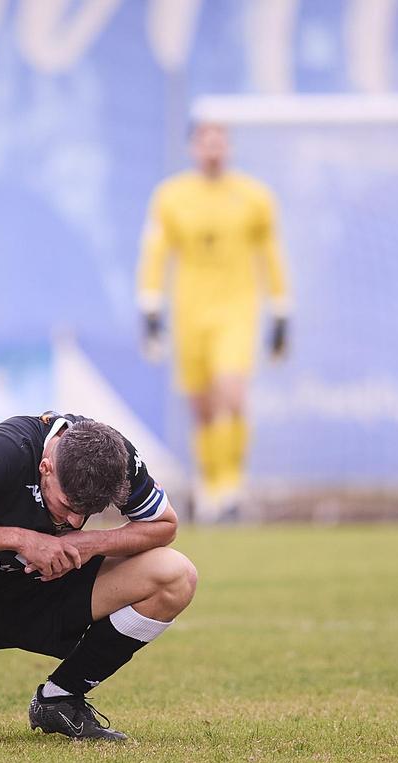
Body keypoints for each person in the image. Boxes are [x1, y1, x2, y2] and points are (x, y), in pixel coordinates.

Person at [0, 412, 197, 742]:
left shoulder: (115, 459)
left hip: (45, 587)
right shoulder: (3, 451)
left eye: (87, 511)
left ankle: (60, 699)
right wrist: (22, 539)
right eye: (66, 505)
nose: (75, 519)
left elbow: (165, 524)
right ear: (45, 468)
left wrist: (89, 542)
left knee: (176, 575)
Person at [136, 121, 291, 521]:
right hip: (189, 315)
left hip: (237, 310)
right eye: (205, 142)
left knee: (233, 393)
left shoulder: (254, 197)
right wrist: (150, 308)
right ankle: (209, 484)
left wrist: (280, 310)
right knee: (203, 408)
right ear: (193, 148)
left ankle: (231, 487)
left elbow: (270, 254)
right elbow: (156, 254)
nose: (213, 149)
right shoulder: (171, 197)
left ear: (229, 147)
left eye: (220, 141)